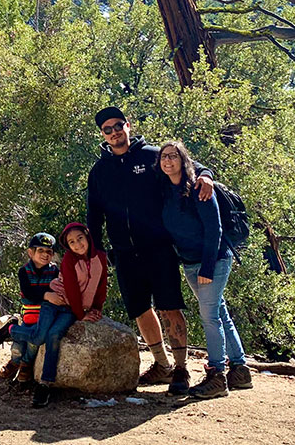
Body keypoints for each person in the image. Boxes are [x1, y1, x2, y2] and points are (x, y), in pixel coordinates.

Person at [86, 106, 213, 395]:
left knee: (170, 307)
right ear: (103, 135)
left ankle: (181, 369)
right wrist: (96, 251)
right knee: (141, 309)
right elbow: (94, 213)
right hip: (124, 252)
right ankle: (162, 365)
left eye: (119, 125)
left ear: (128, 125)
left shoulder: (153, 156)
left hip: (159, 249)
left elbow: (190, 165)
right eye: (108, 129)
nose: (115, 131)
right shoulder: (100, 170)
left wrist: (205, 176)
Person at [158, 139, 254, 399]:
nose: (168, 161)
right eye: (164, 157)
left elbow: (215, 230)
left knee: (209, 316)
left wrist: (209, 268)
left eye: (173, 157)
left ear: (183, 161)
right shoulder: (165, 190)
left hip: (213, 260)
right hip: (190, 262)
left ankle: (216, 376)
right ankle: (240, 371)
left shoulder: (198, 188)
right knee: (219, 311)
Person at [0, 222, 108, 408]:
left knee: (53, 336)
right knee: (40, 337)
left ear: (87, 236)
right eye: (72, 242)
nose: (77, 244)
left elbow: (101, 285)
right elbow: (71, 289)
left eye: (80, 238)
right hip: (54, 304)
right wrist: (82, 315)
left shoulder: (100, 258)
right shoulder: (68, 260)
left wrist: (97, 308)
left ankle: (44, 384)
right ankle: (11, 330)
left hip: (70, 309)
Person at [0, 232, 59, 387]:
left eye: (49, 252)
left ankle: (25, 365)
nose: (45, 255)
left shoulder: (54, 271)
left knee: (34, 342)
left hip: (45, 317)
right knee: (19, 344)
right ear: (31, 252)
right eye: (40, 251)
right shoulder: (24, 271)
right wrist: (46, 295)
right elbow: (29, 293)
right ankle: (14, 361)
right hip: (30, 314)